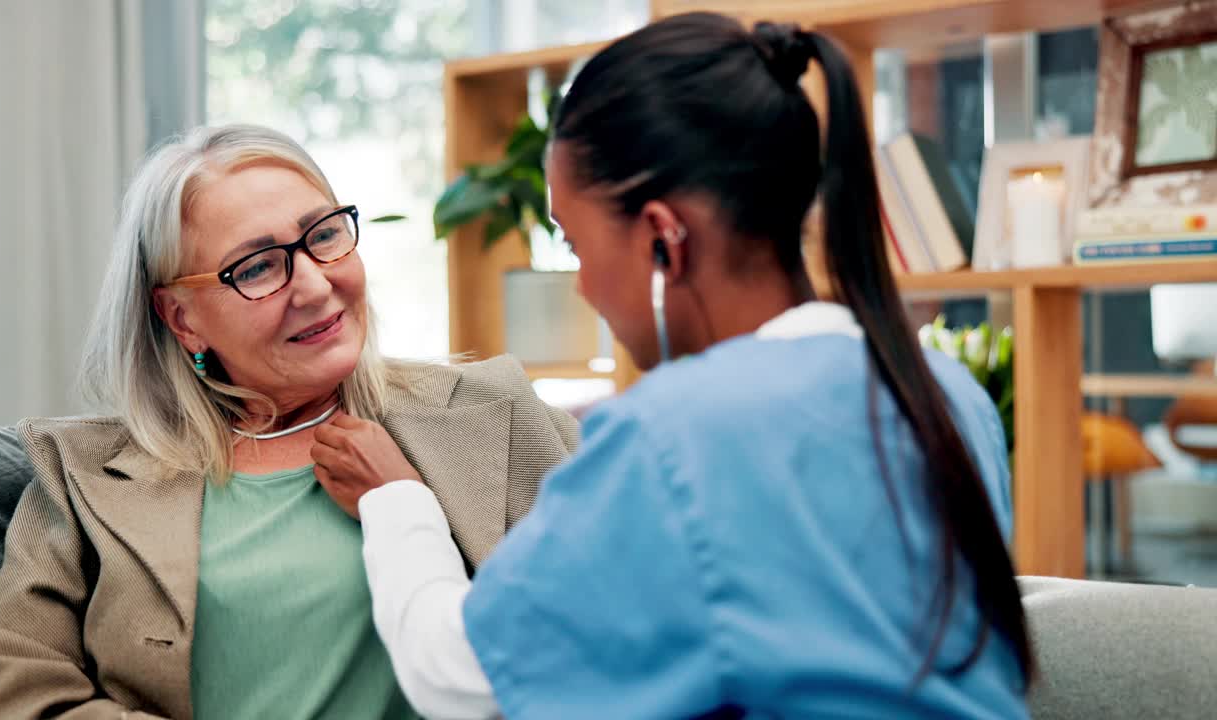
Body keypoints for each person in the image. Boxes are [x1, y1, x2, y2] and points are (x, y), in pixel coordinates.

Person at [335, 13, 1033, 719]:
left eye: (577, 245)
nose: (580, 285)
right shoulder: (950, 393)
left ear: (664, 239)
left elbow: (454, 676)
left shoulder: (676, 435)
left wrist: (399, 501)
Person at [0, 124, 578, 719]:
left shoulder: (493, 413)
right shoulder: (83, 478)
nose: (313, 285)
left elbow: (615, 629)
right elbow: (7, 693)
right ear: (181, 318)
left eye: (324, 236)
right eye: (255, 268)